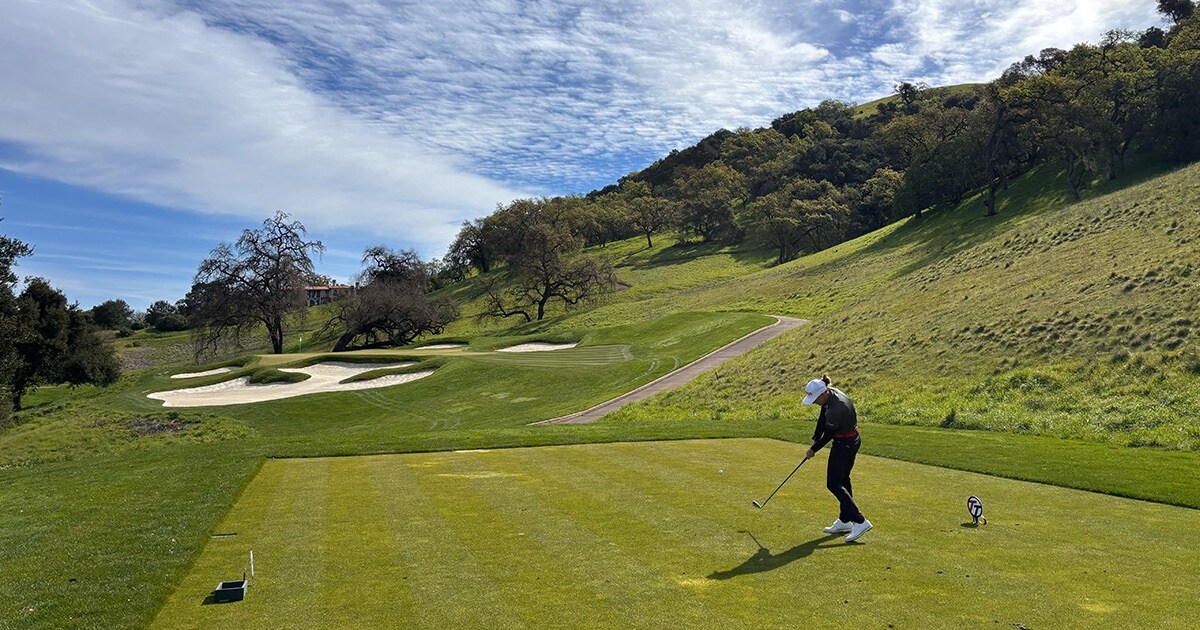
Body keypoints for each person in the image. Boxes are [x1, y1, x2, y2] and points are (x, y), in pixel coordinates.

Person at [802, 374, 872, 542]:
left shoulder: (836, 410)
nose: (814, 402)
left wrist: (813, 449)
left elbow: (829, 435)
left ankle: (860, 521)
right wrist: (816, 436)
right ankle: (845, 520)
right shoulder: (830, 393)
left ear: (823, 394)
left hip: (845, 444)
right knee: (843, 480)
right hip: (850, 440)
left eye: (815, 399)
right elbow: (822, 415)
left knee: (833, 483)